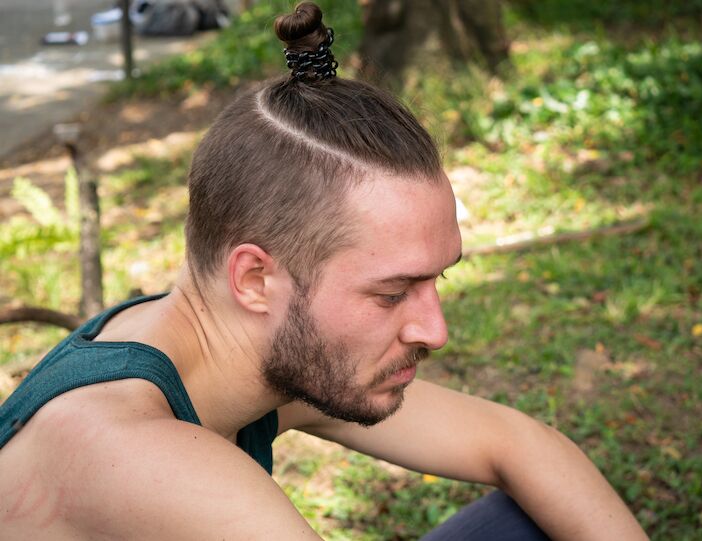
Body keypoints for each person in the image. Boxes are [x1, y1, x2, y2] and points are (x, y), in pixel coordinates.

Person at [0, 3, 648, 540]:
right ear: (254, 279)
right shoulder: (139, 454)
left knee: (525, 520)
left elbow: (518, 443)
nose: (435, 328)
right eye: (392, 291)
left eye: (436, 279)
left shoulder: (233, 347)